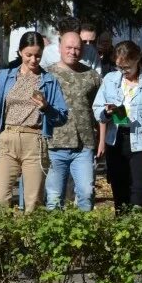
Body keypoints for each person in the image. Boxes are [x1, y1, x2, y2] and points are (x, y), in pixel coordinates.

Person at [0, 32, 68, 211]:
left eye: (38, 55)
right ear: (20, 52)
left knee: (33, 201)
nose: (33, 60)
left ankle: (29, 239)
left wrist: (46, 107)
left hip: (35, 141)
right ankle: (1, 238)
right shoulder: (4, 77)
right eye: (29, 55)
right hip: (7, 139)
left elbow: (62, 117)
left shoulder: (49, 81)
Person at [95, 40, 142, 211]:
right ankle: (121, 234)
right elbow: (97, 107)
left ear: (137, 59)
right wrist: (107, 113)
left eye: (127, 67)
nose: (123, 72)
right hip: (116, 141)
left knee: (137, 195)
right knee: (119, 194)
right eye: (119, 67)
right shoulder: (110, 79)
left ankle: (135, 234)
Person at [45, 31, 101, 210]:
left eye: (77, 48)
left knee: (86, 193)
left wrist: (101, 140)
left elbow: (98, 109)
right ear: (60, 47)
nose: (73, 52)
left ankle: (84, 235)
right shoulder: (47, 75)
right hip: (55, 144)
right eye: (68, 47)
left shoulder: (91, 76)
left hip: (84, 145)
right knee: (54, 196)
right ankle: (55, 236)